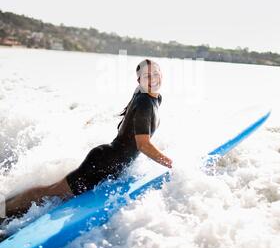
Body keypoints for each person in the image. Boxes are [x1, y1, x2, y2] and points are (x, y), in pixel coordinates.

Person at [4, 59, 173, 218]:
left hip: (112, 161)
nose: (153, 80)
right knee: (52, 192)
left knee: (54, 193)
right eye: (147, 76)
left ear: (162, 75)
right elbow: (143, 145)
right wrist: (170, 163)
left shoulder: (155, 96)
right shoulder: (145, 102)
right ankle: (3, 210)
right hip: (104, 162)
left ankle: (7, 211)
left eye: (156, 74)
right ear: (139, 80)